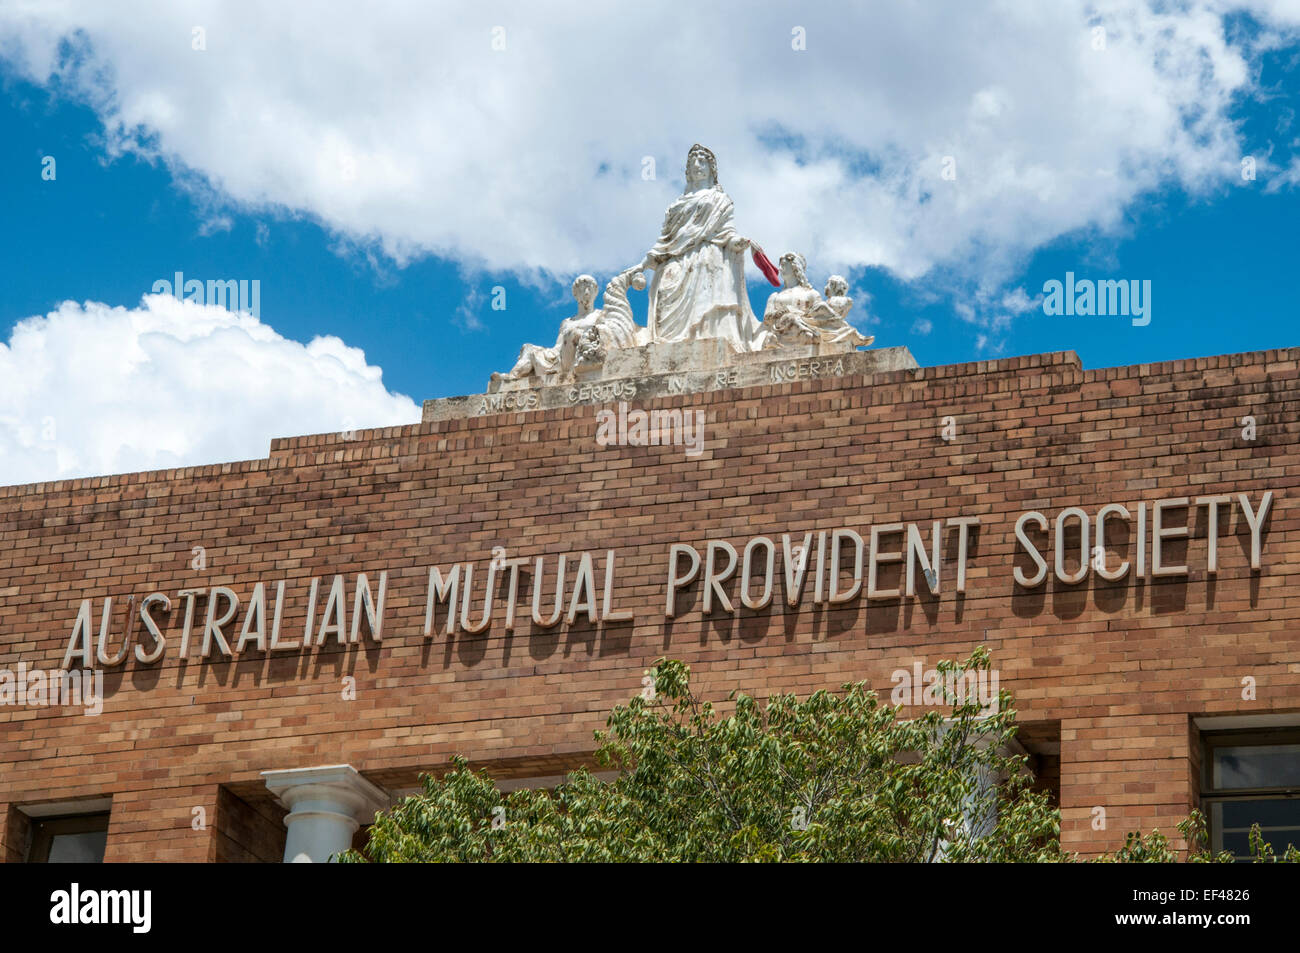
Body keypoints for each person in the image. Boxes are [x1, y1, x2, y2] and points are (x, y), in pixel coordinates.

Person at [636, 144, 761, 350]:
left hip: (708, 257)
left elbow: (726, 232)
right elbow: (666, 239)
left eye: (702, 161)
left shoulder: (720, 200)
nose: (696, 165)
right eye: (692, 161)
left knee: (707, 305)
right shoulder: (676, 205)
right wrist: (642, 265)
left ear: (712, 169)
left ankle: (707, 342)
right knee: (667, 290)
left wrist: (737, 242)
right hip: (675, 258)